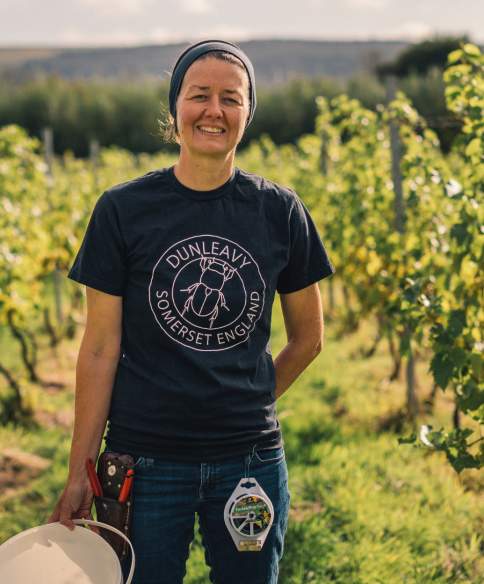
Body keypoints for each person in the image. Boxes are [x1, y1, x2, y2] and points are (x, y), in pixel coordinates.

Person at [47, 39, 335, 584]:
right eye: (198, 95)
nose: (214, 111)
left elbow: (309, 338)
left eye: (231, 98)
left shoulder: (280, 211)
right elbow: (101, 348)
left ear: (248, 112)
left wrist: (245, 403)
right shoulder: (123, 210)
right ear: (174, 107)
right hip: (144, 464)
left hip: (249, 463)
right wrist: (79, 472)